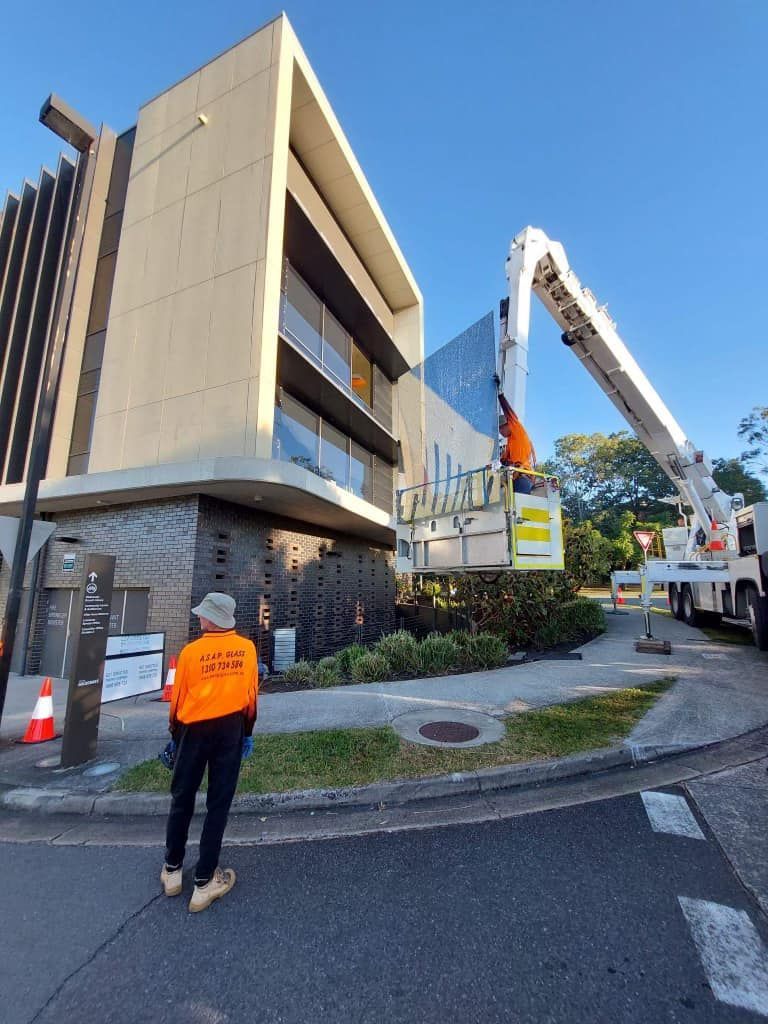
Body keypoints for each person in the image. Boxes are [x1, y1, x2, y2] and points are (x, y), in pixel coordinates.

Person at [160, 592, 258, 913]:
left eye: (202, 614)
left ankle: (172, 870)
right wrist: (247, 733)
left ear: (210, 619)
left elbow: (176, 701)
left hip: (193, 731)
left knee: (182, 797)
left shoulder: (190, 653)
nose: (198, 618)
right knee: (218, 803)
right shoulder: (246, 650)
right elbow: (251, 697)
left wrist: (175, 735)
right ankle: (204, 882)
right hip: (230, 729)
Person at [497, 390, 537, 494]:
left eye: (501, 428)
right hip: (515, 478)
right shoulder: (510, 442)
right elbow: (503, 460)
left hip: (523, 478)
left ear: (508, 424)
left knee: (515, 507)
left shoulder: (517, 430)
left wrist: (500, 396)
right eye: (499, 430)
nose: (500, 432)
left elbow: (509, 413)